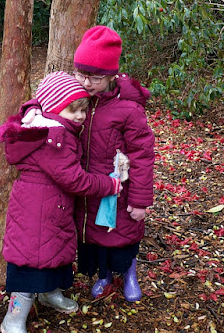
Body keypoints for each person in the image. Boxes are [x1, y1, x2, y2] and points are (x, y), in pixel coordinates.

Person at [23, 26, 155, 302]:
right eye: (81, 74)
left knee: (123, 233)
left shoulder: (129, 108)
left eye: (94, 78)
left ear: (110, 76)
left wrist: (141, 200)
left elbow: (142, 154)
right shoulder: (76, 92)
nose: (85, 82)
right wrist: (31, 109)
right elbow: (48, 97)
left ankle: (129, 272)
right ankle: (104, 276)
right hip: (87, 184)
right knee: (95, 235)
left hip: (118, 185)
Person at [0, 71, 122, 333]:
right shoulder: (55, 137)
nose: (79, 116)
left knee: (53, 253)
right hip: (37, 211)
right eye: (72, 110)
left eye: (82, 109)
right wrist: (108, 185)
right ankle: (13, 319)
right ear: (53, 109)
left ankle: (48, 293)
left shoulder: (51, 127)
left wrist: (32, 106)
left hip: (51, 208)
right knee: (30, 264)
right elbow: (75, 180)